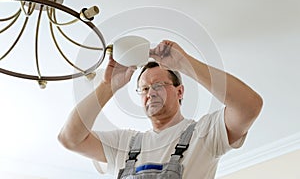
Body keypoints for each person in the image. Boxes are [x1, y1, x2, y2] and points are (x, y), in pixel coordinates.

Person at [58, 40, 263, 178]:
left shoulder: (204, 134)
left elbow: (249, 106)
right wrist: (107, 87)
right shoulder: (124, 144)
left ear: (179, 91)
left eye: (158, 86)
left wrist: (186, 64)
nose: (151, 93)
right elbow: (69, 138)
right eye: (145, 88)